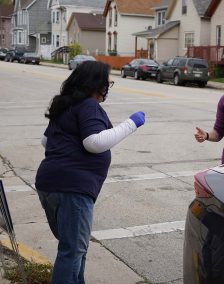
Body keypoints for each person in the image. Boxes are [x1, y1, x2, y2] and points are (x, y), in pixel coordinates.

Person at [35, 61, 145, 284]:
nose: (108, 88)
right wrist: (131, 124)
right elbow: (93, 142)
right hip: (73, 190)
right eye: (107, 83)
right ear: (96, 84)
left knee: (75, 248)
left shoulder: (65, 105)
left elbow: (46, 141)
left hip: (49, 185)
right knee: (72, 251)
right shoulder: (88, 106)